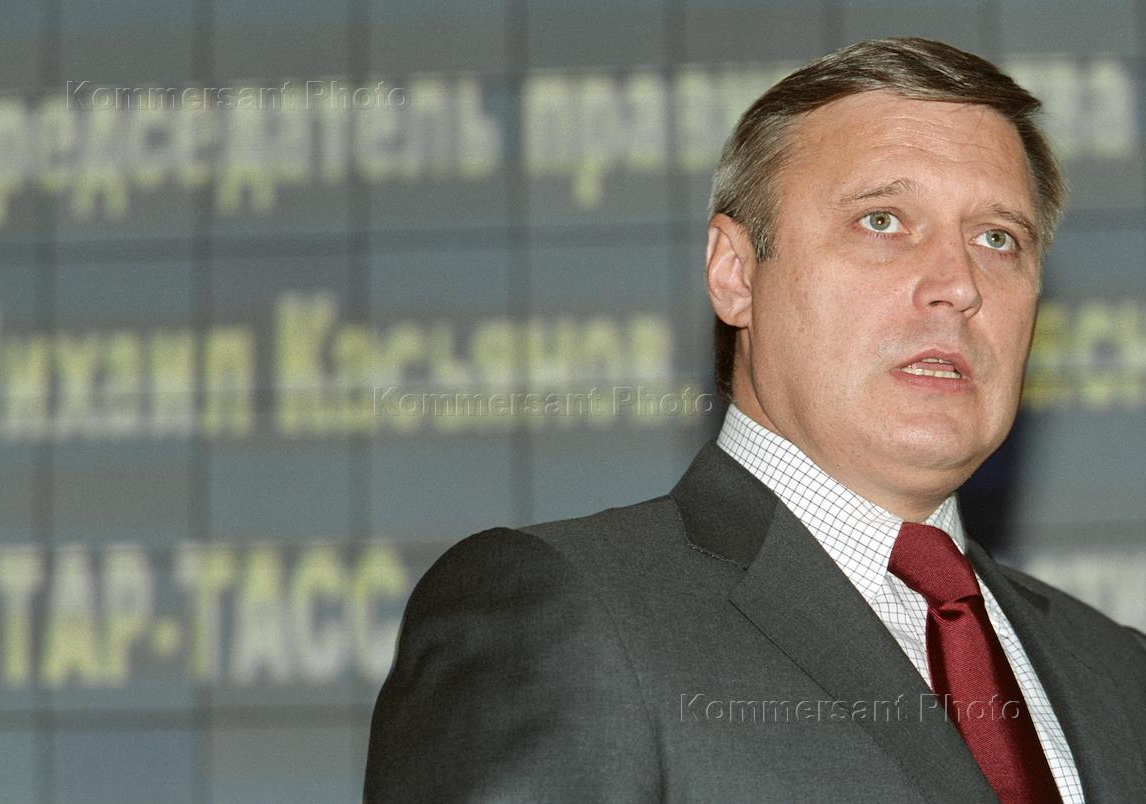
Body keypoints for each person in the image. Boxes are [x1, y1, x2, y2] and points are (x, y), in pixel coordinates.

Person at [365, 38, 1146, 802]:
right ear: (735, 274)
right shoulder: (563, 612)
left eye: (998, 239)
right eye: (882, 221)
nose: (959, 285)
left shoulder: (1119, 672)